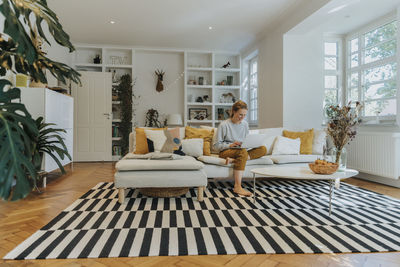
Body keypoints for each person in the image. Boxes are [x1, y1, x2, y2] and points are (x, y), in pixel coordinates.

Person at [213, 100, 267, 197]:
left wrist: (249, 143)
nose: (242, 117)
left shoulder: (245, 124)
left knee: (263, 149)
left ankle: (233, 160)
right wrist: (231, 145)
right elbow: (216, 145)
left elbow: (246, 139)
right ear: (233, 111)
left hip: (241, 150)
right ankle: (237, 186)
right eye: (240, 114)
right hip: (226, 151)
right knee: (242, 152)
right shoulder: (224, 125)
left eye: (244, 115)